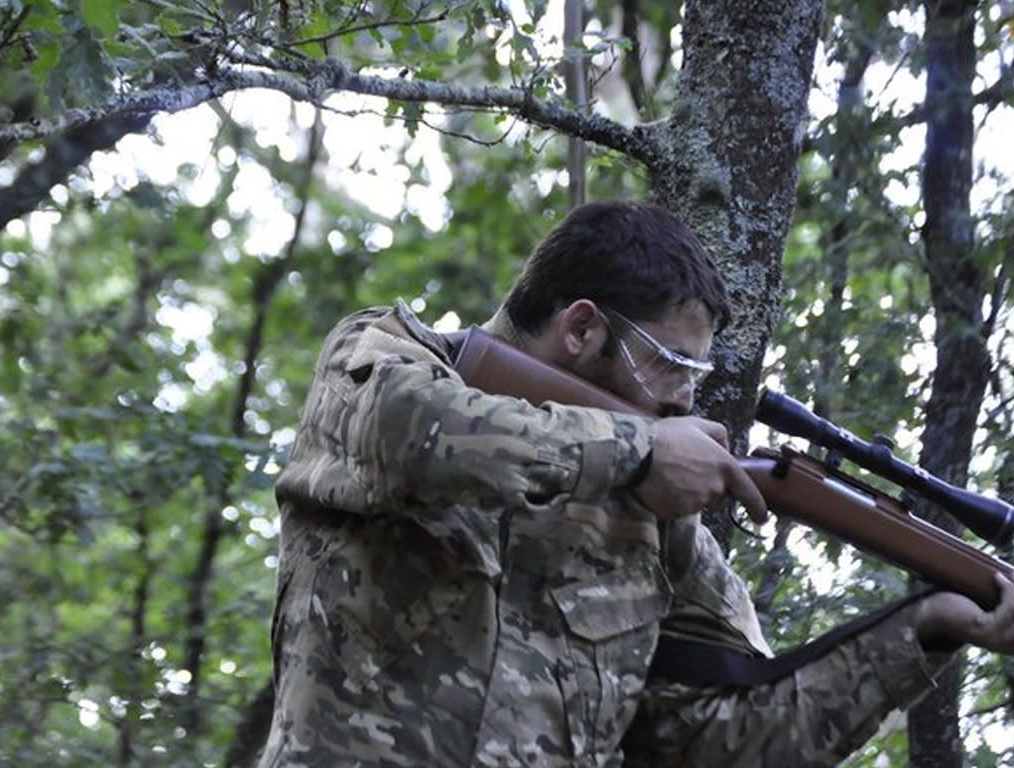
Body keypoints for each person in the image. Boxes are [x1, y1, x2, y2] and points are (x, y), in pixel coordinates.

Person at [258, 201, 1014, 767]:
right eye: (671, 364)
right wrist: (640, 451)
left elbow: (719, 743)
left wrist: (929, 629)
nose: (684, 399)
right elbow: (410, 427)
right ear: (582, 328)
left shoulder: (658, 525)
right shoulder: (391, 358)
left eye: (697, 374)